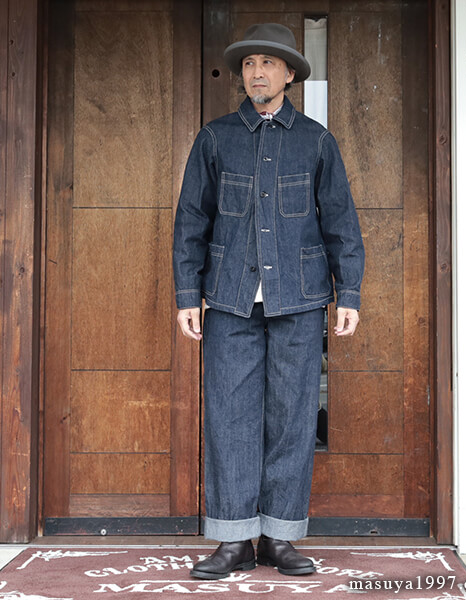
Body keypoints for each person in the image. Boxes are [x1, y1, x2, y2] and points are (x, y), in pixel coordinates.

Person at [172, 23, 365, 580]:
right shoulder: (215, 138)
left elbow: (341, 222)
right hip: (229, 299)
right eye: (249, 63)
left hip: (299, 300)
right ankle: (234, 539)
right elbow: (191, 221)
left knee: (293, 417)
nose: (257, 72)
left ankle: (280, 537)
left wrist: (348, 292)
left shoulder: (316, 141)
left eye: (268, 63)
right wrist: (187, 294)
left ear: (289, 75)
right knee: (229, 417)